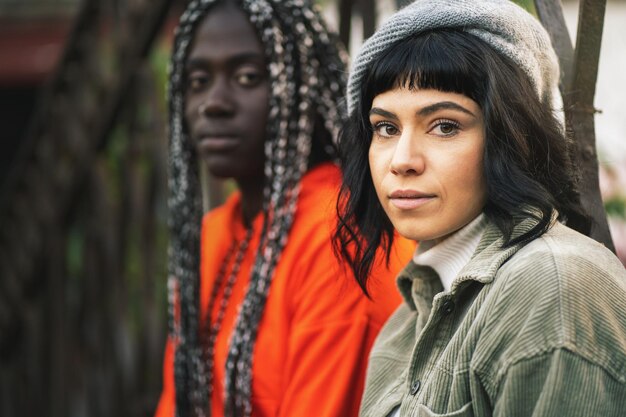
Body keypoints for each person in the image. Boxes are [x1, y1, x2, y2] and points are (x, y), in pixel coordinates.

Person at [335, 0, 626, 416]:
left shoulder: (551, 286)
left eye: (445, 126)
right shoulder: (408, 316)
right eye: (386, 127)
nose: (401, 160)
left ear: (514, 136)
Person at [156, 1, 415, 416]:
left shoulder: (343, 240)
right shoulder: (215, 234)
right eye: (198, 81)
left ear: (307, 85)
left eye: (247, 77)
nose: (213, 103)